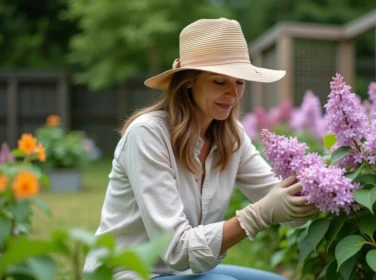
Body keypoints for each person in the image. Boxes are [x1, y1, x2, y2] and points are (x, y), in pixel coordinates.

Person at [83, 18, 317, 280]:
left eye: (239, 82)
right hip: (128, 272)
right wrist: (258, 215)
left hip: (180, 272)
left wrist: (327, 188)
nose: (233, 94)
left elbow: (281, 200)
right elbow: (178, 250)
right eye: (219, 82)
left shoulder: (232, 136)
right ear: (189, 81)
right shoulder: (147, 135)